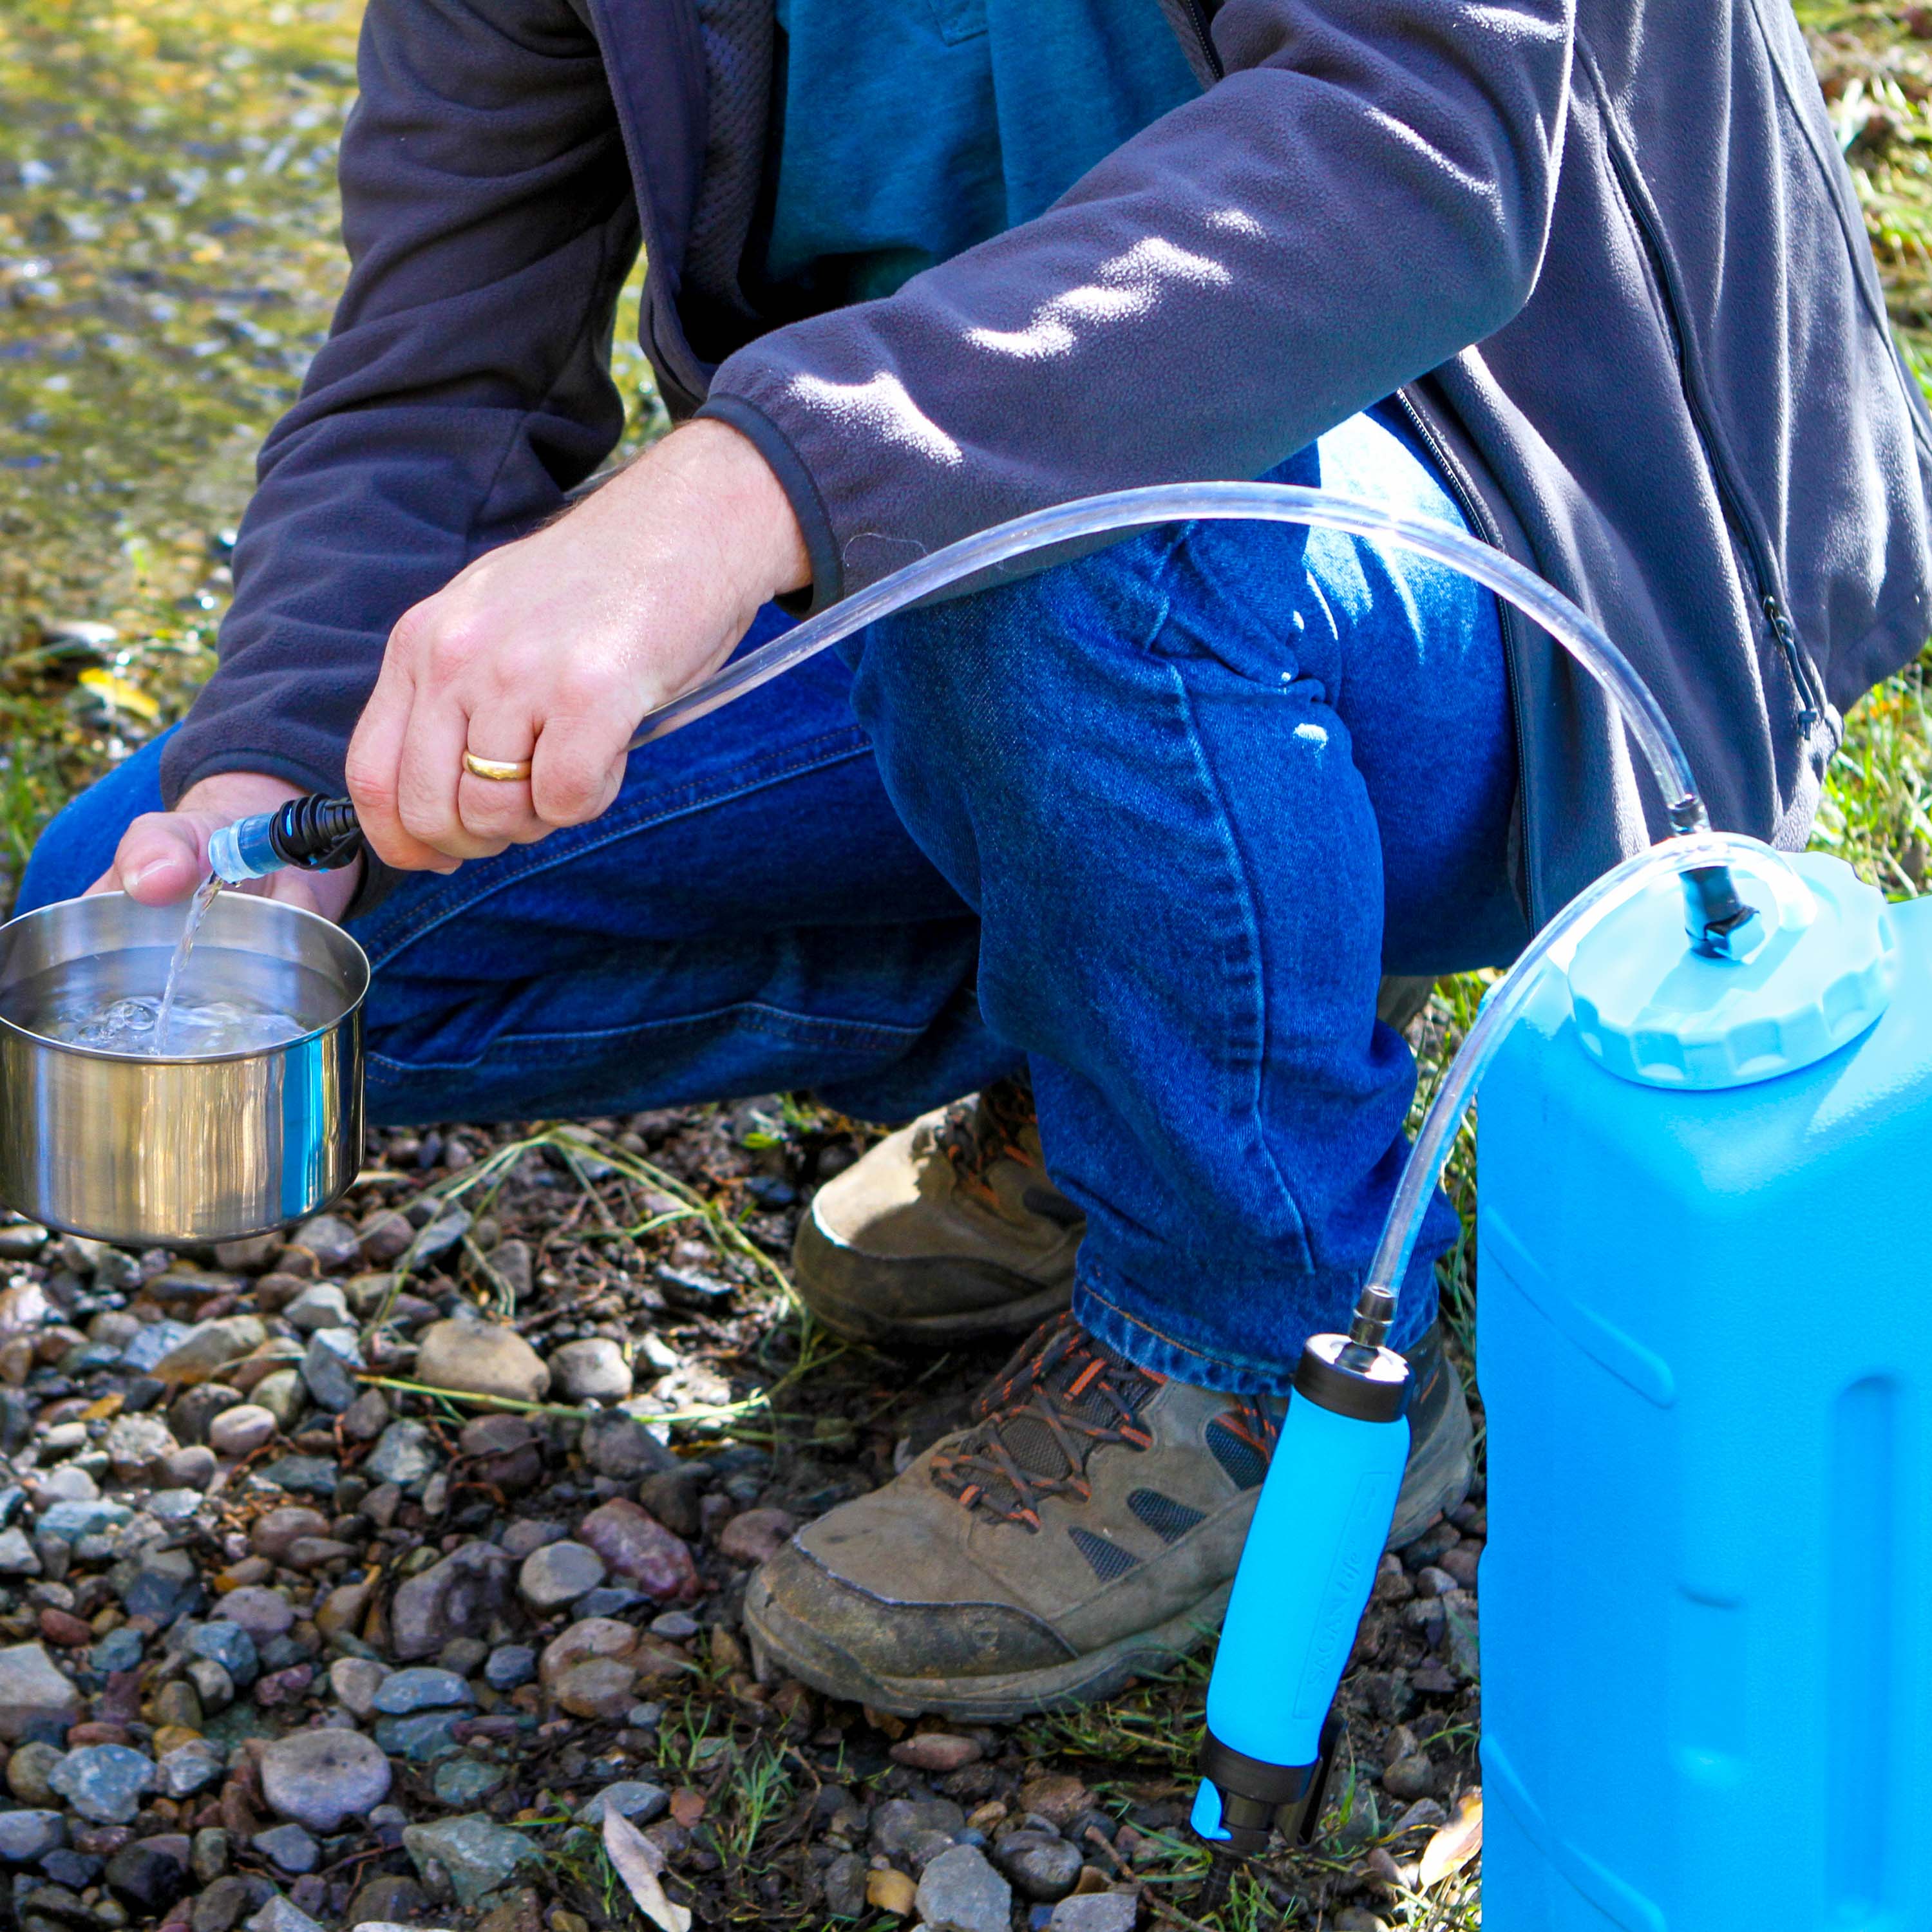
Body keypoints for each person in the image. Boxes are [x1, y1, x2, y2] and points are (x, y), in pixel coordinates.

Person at [22, 0, 1931, 1721]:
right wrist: (274, 748)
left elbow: (1422, 137)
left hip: (1553, 587)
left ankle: (1251, 1322)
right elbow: (435, 375)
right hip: (967, 588)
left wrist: (744, 482)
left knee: (1055, 522)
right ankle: (1141, 1013)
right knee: (167, 934)